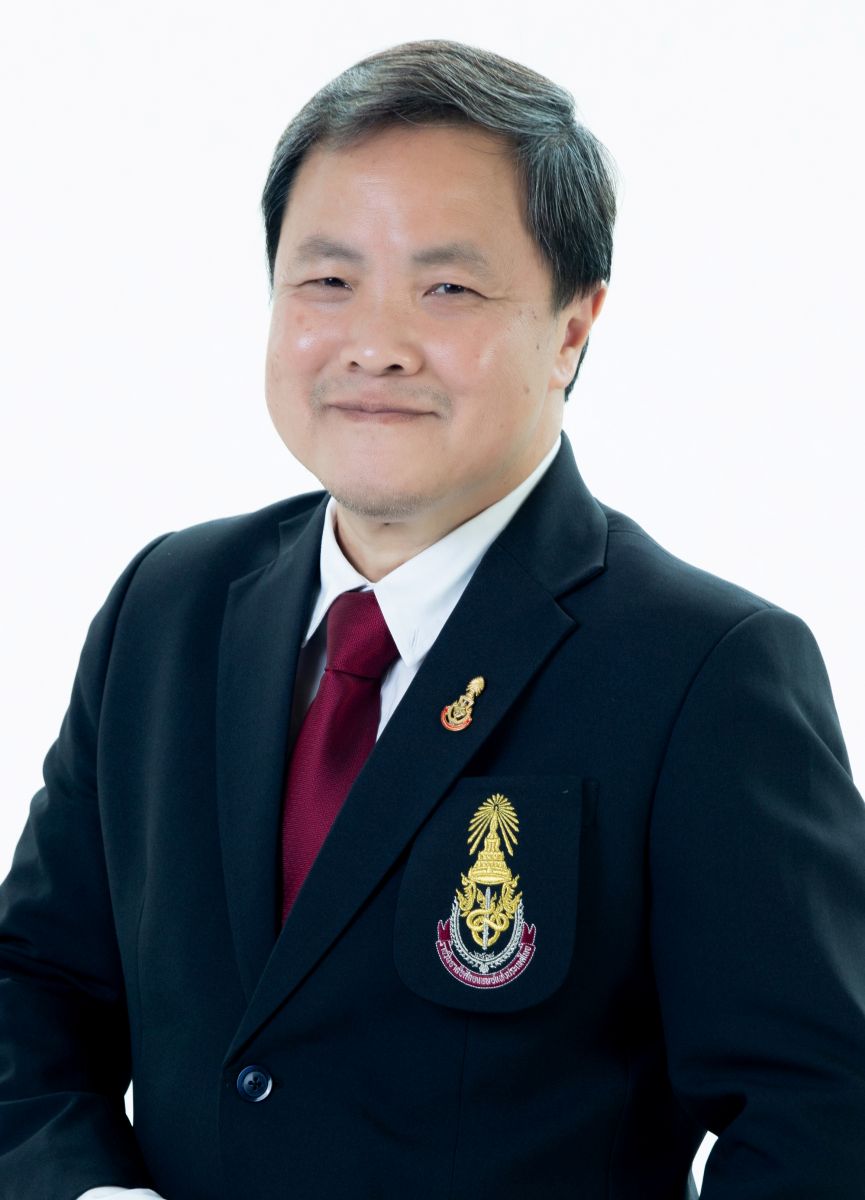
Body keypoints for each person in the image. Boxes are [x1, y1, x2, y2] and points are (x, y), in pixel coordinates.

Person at [0, 37, 863, 1200]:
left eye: (447, 288)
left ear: (572, 327)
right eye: (327, 281)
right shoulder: (168, 606)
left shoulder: (703, 670)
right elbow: (33, 986)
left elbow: (823, 1122)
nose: (375, 344)